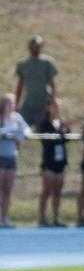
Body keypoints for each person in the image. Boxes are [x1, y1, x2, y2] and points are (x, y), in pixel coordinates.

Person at [13, 35, 58, 133]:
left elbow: (53, 85)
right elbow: (20, 86)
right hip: (28, 104)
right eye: (34, 46)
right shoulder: (23, 64)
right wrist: (16, 105)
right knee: (19, 130)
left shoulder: (47, 63)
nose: (36, 49)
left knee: (45, 132)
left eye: (38, 46)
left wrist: (53, 104)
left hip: (43, 104)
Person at [37, 97, 70, 227]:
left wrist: (65, 130)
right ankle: (42, 217)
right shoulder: (45, 123)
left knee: (58, 191)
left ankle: (56, 217)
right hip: (49, 161)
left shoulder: (60, 123)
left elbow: (67, 138)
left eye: (58, 106)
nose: (57, 109)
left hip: (60, 162)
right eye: (54, 106)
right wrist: (58, 134)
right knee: (47, 190)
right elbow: (46, 140)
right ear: (49, 107)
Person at [0, 94, 31, 228]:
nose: (11, 106)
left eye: (12, 103)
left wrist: (23, 135)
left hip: (11, 157)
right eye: (8, 103)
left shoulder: (17, 118)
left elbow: (26, 129)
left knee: (8, 190)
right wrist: (6, 132)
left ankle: (5, 217)